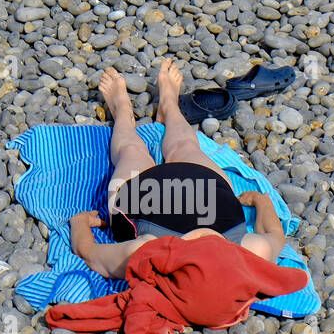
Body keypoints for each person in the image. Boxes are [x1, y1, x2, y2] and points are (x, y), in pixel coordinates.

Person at [69, 58, 287, 280]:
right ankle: (169, 106)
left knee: (130, 150)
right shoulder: (249, 254)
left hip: (139, 194)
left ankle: (123, 112)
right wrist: (262, 202)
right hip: (207, 187)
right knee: (185, 145)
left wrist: (79, 223)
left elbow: (89, 253)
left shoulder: (148, 256)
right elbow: (275, 237)